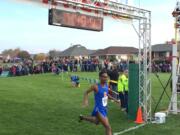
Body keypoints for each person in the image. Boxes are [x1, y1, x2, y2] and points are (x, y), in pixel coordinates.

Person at [79, 70, 120, 135]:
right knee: (108, 127)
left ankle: (82, 117)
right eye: (103, 77)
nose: (105, 78)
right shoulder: (95, 86)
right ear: (100, 77)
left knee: (96, 121)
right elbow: (86, 92)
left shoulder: (106, 85)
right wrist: (86, 101)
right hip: (98, 109)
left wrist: (115, 100)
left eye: (106, 77)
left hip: (104, 109)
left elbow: (106, 95)